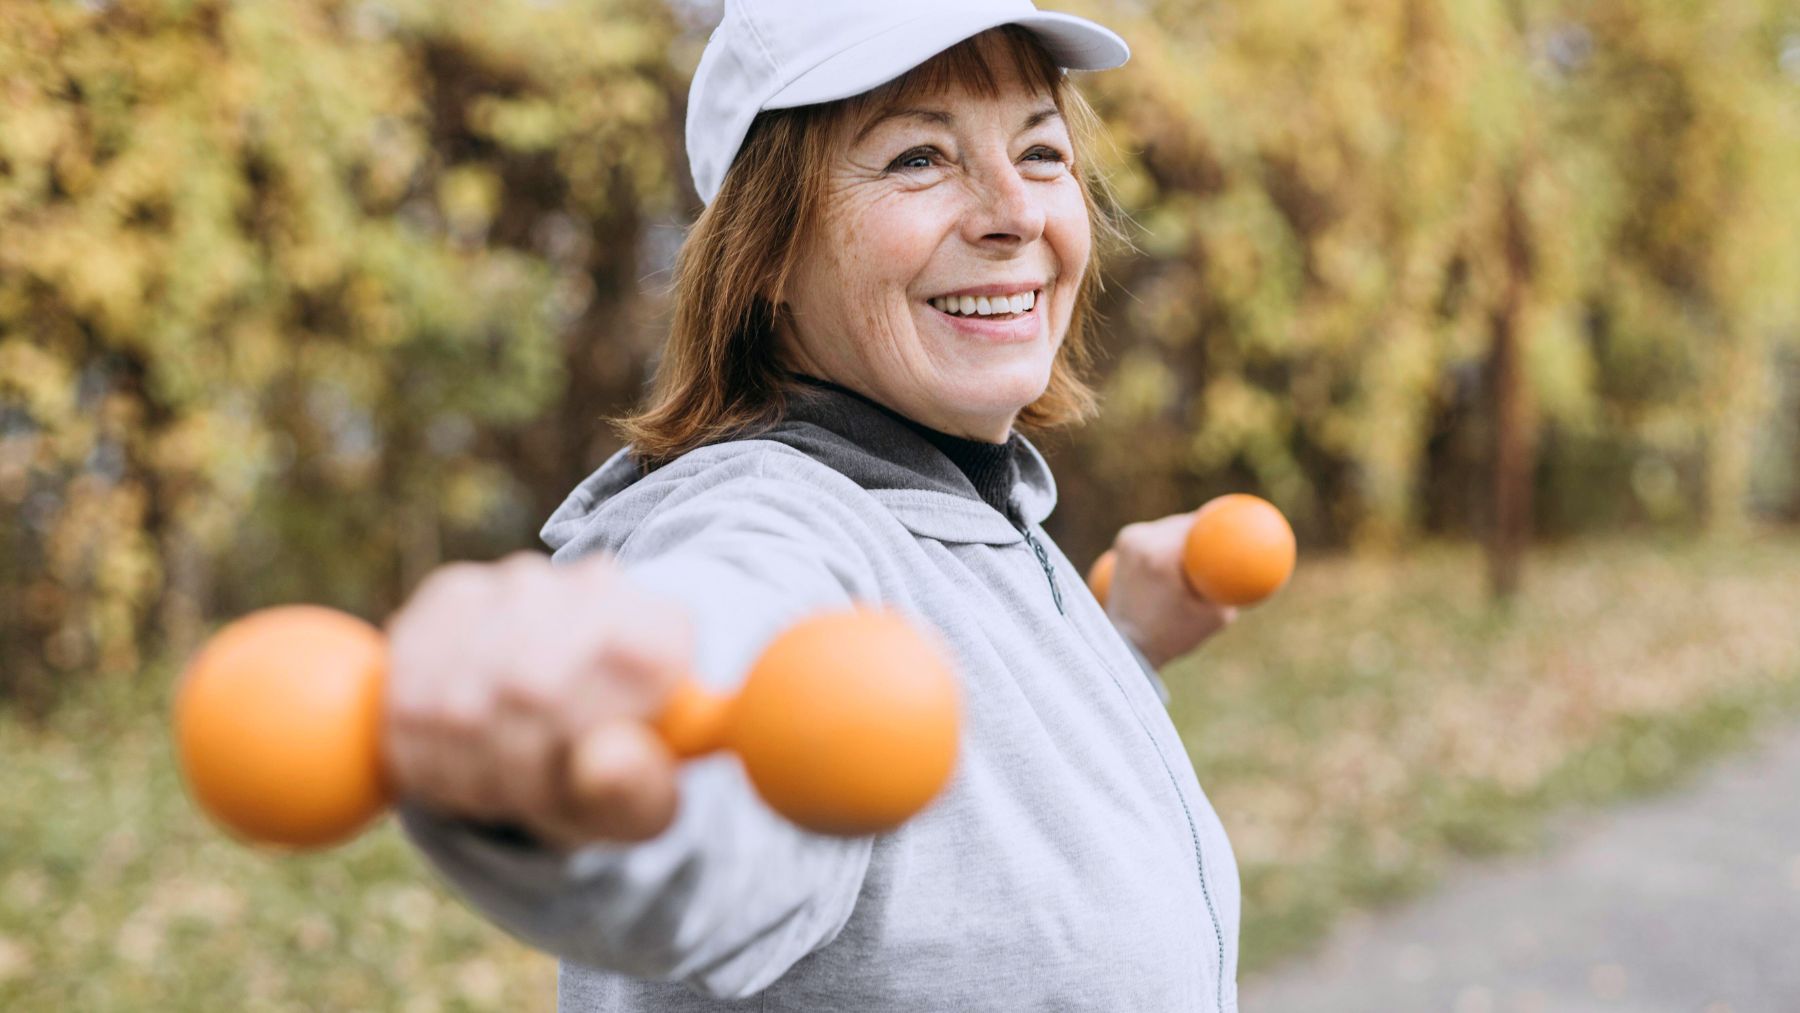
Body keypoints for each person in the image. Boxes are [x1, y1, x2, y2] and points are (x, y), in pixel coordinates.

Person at [389, 2, 1243, 1009]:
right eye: (919, 157)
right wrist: (586, 786)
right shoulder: (768, 524)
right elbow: (728, 720)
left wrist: (1117, 649)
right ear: (768, 257)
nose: (1015, 209)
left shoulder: (964, 508)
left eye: (1042, 150)